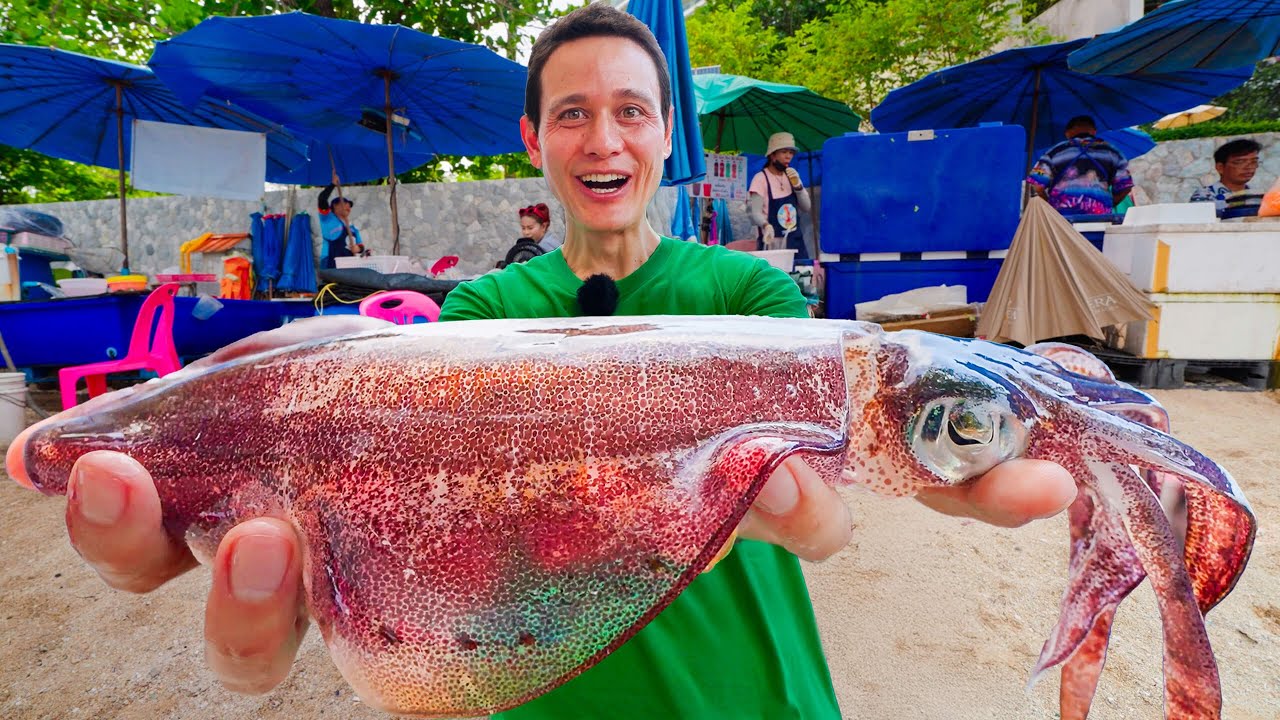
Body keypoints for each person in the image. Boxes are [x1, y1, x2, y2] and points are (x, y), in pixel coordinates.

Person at [4, 5, 1077, 718]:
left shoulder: (749, 300)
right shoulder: (479, 314)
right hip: (531, 683)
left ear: (666, 137)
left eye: (629, 113)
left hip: (741, 688)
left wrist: (943, 466)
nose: (602, 141)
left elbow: (854, 442)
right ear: (533, 139)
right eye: (573, 114)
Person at [1027, 115, 1133, 217]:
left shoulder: (1054, 151)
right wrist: (1108, 203)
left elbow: (1037, 186)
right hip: (1100, 216)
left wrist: (1051, 208)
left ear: (1068, 133)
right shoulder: (1112, 152)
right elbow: (1126, 186)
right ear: (1094, 131)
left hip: (1062, 219)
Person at [748, 132, 812, 260]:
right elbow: (753, 212)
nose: (788, 157)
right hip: (772, 242)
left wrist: (798, 187)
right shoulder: (760, 179)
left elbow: (807, 207)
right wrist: (766, 225)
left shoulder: (791, 177)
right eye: (784, 152)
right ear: (772, 155)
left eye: (791, 153)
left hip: (795, 241)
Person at [1189, 138, 1262, 213]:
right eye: (1240, 162)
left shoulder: (1258, 196)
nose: (1248, 167)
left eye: (1254, 162)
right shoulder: (1204, 195)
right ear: (1220, 167)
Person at [316, 172, 364, 269]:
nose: (348, 207)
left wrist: (357, 249)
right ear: (334, 206)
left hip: (348, 263)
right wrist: (333, 184)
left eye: (350, 206)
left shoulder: (353, 229)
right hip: (330, 261)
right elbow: (322, 199)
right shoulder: (327, 217)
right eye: (345, 203)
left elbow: (361, 246)